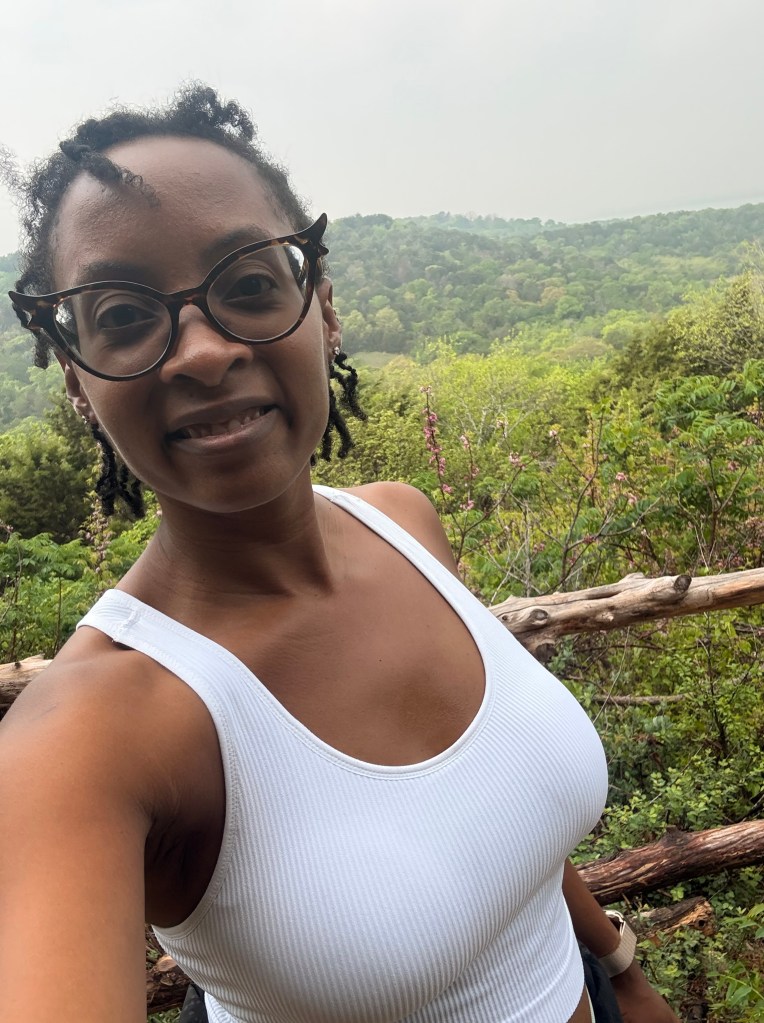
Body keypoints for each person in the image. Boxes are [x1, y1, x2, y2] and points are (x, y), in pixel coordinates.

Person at [0, 86, 679, 1023]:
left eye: (245, 285)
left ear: (321, 308)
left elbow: (497, 821)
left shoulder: (406, 524)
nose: (200, 352)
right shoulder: (90, 736)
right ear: (77, 376)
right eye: (122, 314)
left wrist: (621, 965)